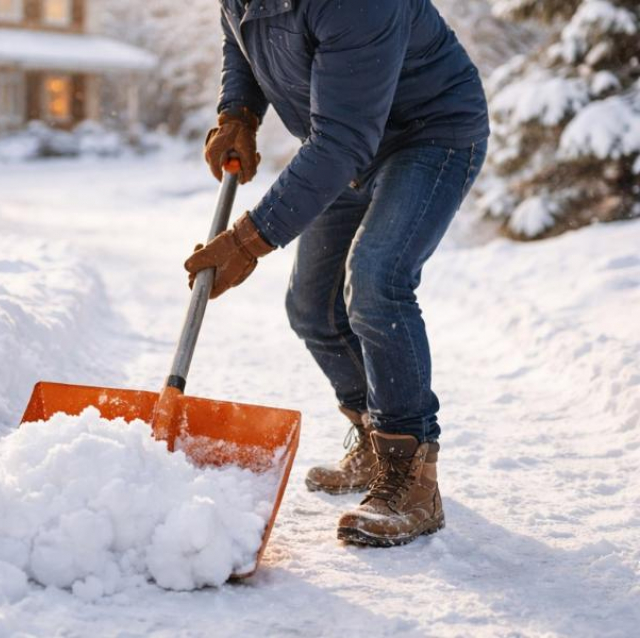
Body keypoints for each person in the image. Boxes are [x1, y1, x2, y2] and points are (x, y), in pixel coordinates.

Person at [184, 0, 490, 547]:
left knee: (376, 281)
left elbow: (342, 141)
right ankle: (374, 438)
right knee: (312, 308)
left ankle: (411, 475)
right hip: (348, 142)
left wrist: (249, 241)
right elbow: (241, 37)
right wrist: (238, 113)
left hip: (428, 134)